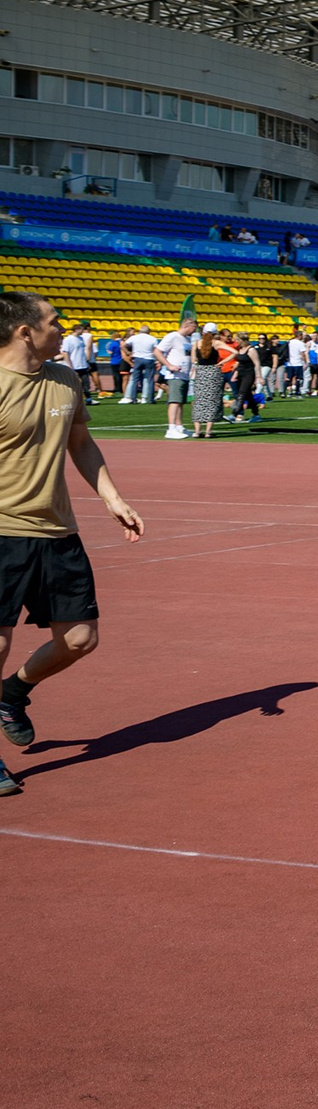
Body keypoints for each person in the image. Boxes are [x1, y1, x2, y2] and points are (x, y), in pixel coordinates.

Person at [0, 294, 146, 797]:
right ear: (24, 331)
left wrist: (112, 497)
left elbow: (79, 442)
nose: (62, 329)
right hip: (1, 532)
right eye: (53, 322)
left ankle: (13, 692)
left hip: (56, 530)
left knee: (81, 638)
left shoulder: (65, 379)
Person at [157, 318, 197, 441]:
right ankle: (171, 428)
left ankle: (179, 426)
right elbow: (157, 351)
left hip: (184, 374)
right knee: (174, 401)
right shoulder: (173, 336)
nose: (194, 332)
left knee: (180, 402)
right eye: (193, 328)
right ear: (187, 326)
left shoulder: (187, 339)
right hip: (175, 375)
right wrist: (168, 365)